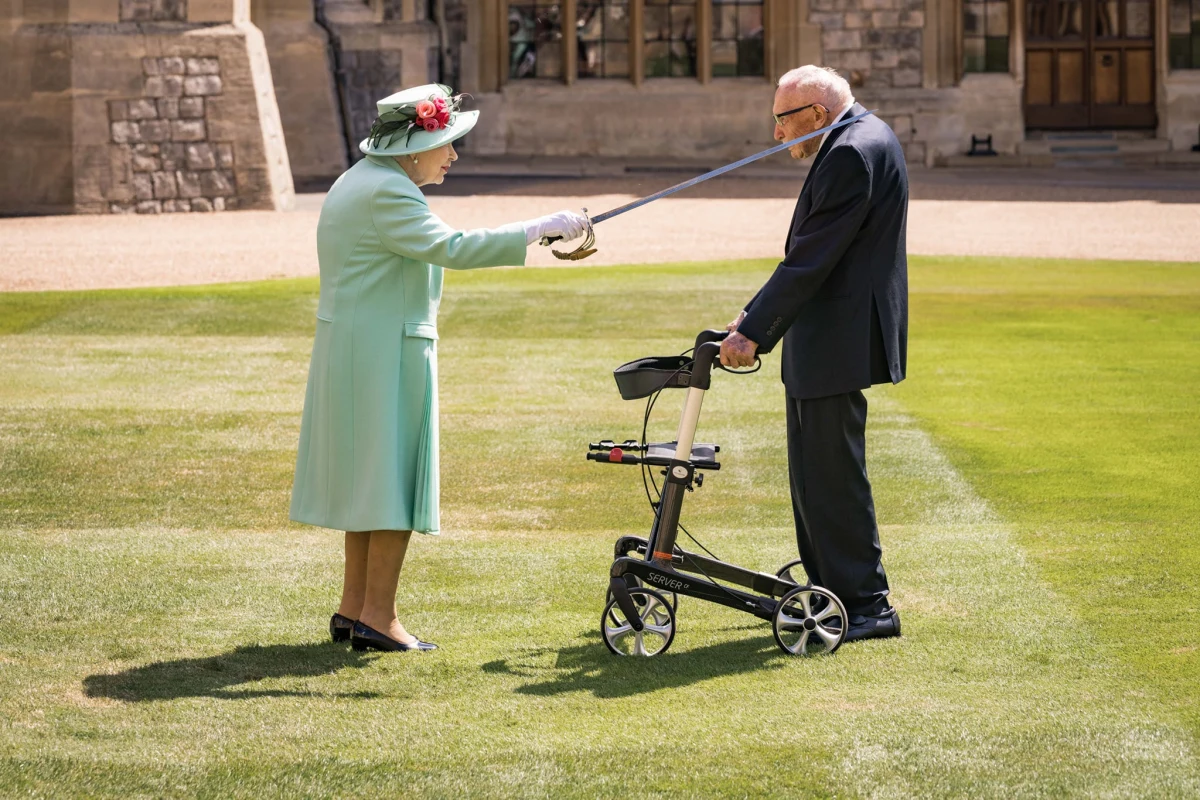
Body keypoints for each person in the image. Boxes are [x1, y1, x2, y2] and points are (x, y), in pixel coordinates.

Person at [290, 84, 589, 653]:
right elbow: (451, 247)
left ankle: (354, 610)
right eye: (446, 143)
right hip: (383, 354)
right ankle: (378, 617)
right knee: (393, 485)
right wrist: (538, 228)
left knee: (369, 487)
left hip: (359, 349)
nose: (452, 156)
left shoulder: (360, 179)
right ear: (411, 146)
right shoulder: (388, 193)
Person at [719, 66, 908, 643]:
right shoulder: (858, 138)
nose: (778, 135)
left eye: (782, 120)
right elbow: (813, 253)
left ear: (817, 115)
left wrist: (752, 330)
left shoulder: (852, 152)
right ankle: (833, 586)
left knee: (831, 476)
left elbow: (812, 258)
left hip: (838, 337)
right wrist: (750, 317)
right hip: (828, 334)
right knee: (814, 473)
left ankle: (868, 606)